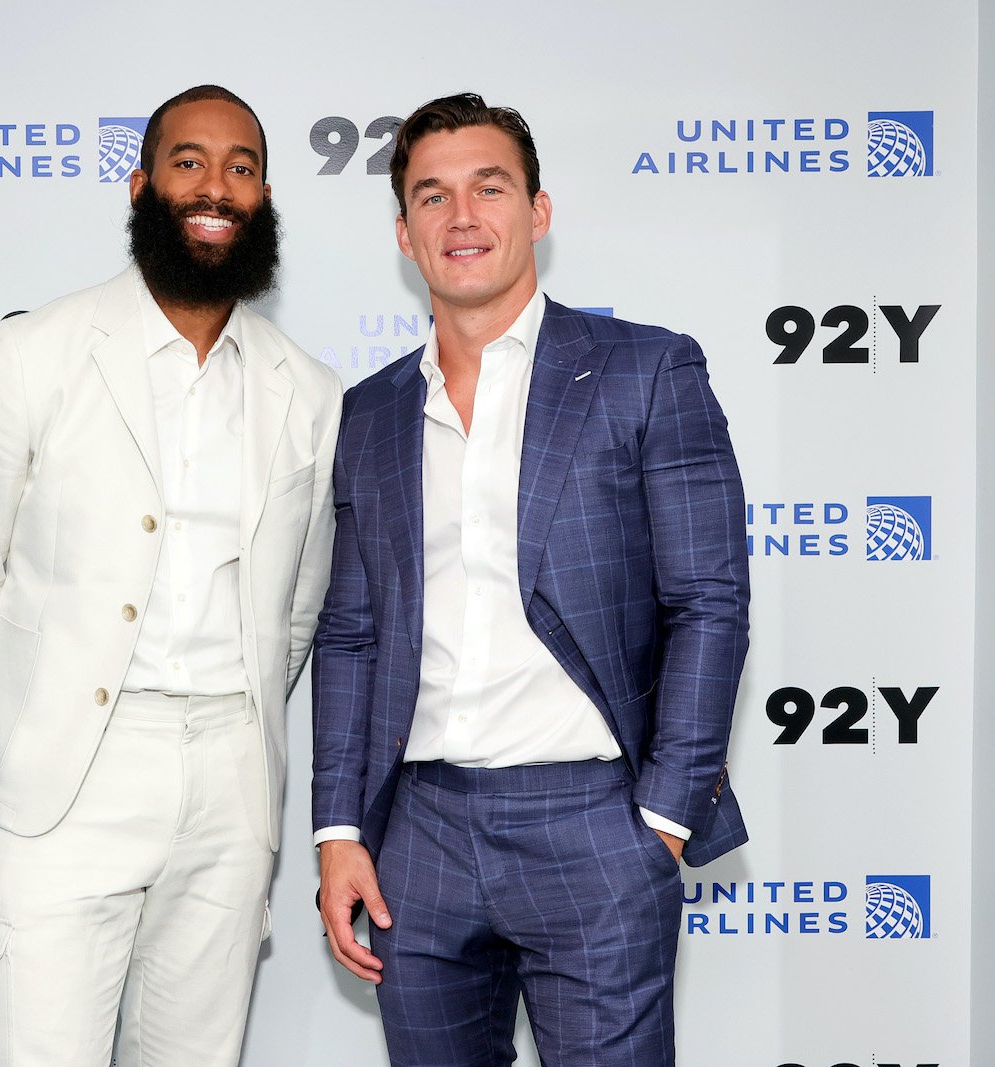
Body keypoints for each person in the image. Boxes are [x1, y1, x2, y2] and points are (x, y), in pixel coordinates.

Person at [312, 93, 750, 1065]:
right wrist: (340, 827)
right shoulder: (369, 411)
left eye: (488, 187)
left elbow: (707, 600)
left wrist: (662, 822)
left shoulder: (644, 371)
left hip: (595, 824)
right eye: (432, 196)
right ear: (402, 231)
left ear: (538, 211)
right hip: (416, 835)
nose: (461, 216)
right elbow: (349, 631)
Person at [0, 84, 341, 1066]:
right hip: (69, 778)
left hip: (231, 783)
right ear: (143, 182)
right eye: (190, 161)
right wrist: (17, 749)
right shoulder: (32, 353)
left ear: (265, 196)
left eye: (241, 167)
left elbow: (294, 609)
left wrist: (231, 729)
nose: (216, 187)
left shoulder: (307, 392)